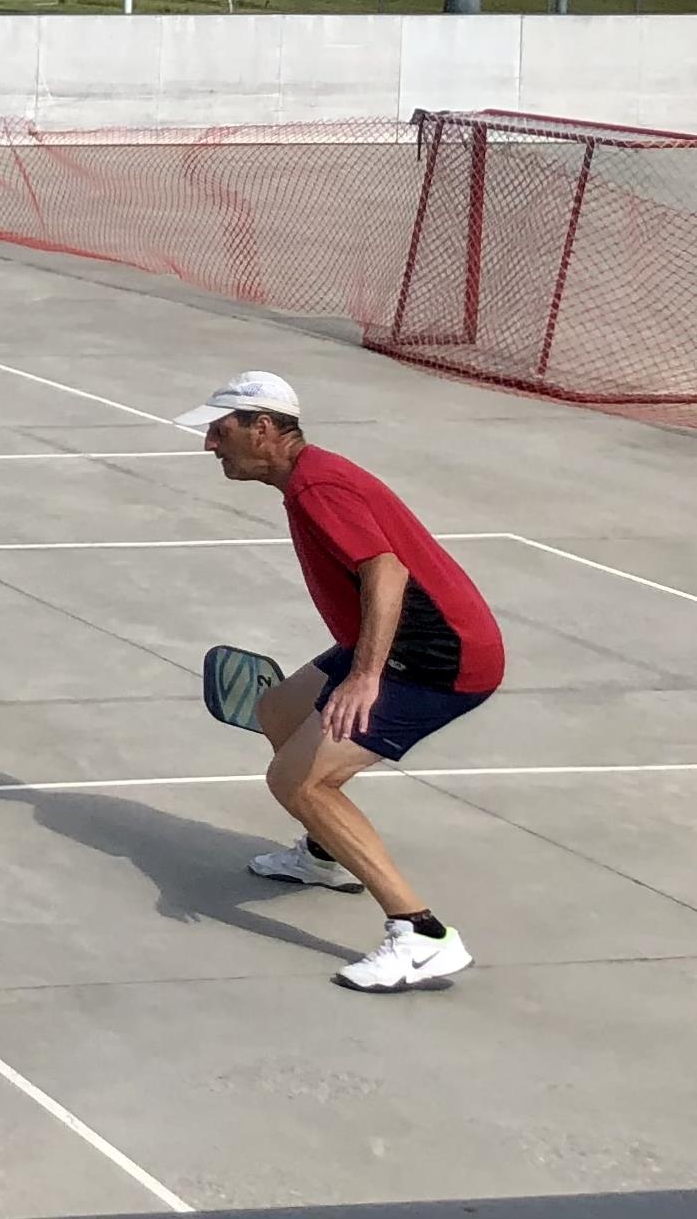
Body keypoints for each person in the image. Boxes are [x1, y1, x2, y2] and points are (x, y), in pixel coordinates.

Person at [189, 370, 504, 992]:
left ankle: (421, 934)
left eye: (219, 430)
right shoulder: (309, 477)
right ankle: (327, 856)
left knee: (296, 779)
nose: (208, 445)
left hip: (438, 659)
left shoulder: (318, 488)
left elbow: (385, 574)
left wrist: (364, 677)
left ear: (263, 428)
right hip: (392, 645)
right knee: (280, 711)